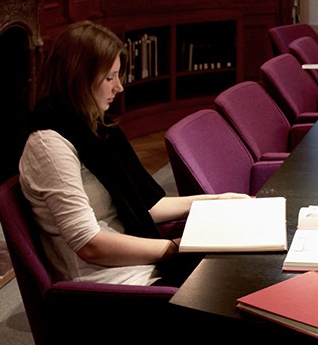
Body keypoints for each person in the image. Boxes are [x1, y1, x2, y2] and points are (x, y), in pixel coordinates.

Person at [18, 20, 247, 286]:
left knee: (246, 258)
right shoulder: (49, 145)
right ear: (79, 78)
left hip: (141, 266)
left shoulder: (95, 128)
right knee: (239, 279)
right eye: (109, 77)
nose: (119, 87)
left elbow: (146, 205)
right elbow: (89, 245)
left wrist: (215, 202)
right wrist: (177, 247)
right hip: (115, 286)